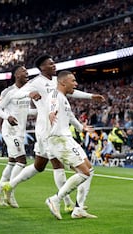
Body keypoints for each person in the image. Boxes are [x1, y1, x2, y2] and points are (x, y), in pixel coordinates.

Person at [1, 54, 105, 211]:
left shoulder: (57, 81)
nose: (54, 65)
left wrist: (90, 96)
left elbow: (70, 91)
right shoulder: (36, 82)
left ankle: (10, 185)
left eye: (54, 63)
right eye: (50, 64)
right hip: (46, 129)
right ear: (42, 67)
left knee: (39, 166)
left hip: (55, 126)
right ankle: (66, 202)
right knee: (58, 164)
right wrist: (29, 94)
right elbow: (16, 94)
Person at [45, 70, 100, 220]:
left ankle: (79, 209)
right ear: (63, 82)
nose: (75, 84)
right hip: (59, 139)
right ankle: (54, 199)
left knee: (89, 169)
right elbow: (52, 106)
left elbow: (70, 117)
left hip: (66, 138)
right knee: (84, 172)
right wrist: (51, 113)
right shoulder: (55, 96)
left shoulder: (64, 98)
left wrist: (82, 128)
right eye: (73, 81)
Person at [0, 65, 34, 207]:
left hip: (20, 132)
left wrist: (43, 112)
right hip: (10, 131)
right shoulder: (8, 91)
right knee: (21, 161)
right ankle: (10, 192)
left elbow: (27, 110)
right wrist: (7, 116)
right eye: (23, 71)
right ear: (16, 75)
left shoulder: (27, 92)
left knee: (11, 162)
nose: (26, 72)